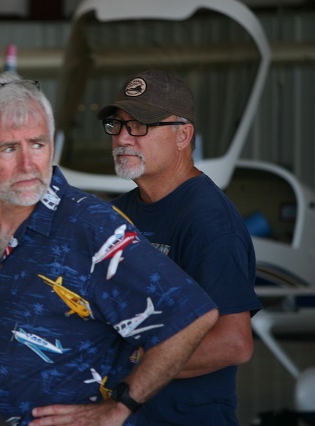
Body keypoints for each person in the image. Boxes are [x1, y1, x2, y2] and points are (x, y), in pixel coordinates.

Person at [0, 71, 219, 426]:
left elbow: (191, 316)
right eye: (8, 148)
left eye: (37, 144)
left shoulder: (91, 226)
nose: (27, 164)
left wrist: (122, 405)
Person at [98, 69, 262, 425]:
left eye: (140, 125)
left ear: (183, 135)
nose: (123, 137)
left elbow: (234, 343)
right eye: (118, 124)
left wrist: (128, 363)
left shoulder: (210, 222)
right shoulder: (115, 215)